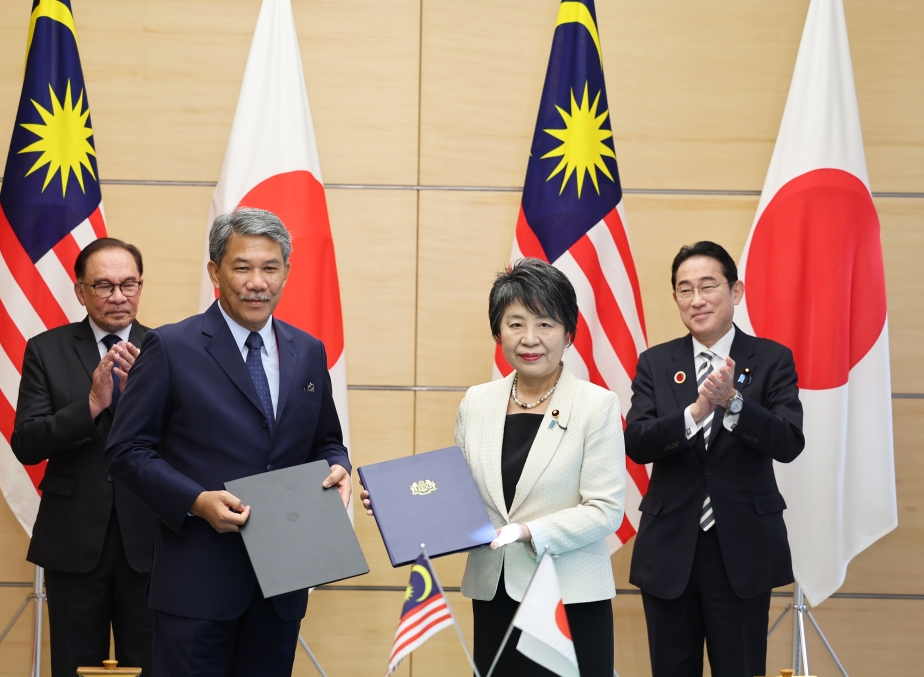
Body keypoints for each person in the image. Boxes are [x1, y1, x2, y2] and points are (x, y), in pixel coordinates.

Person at [104, 208, 351, 677]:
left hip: (282, 581)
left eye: (270, 267)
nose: (257, 282)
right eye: (242, 267)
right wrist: (195, 501)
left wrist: (339, 468)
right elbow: (125, 451)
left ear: (286, 273)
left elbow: (327, 442)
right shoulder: (171, 346)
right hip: (198, 582)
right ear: (216, 271)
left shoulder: (309, 351)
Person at [362, 258, 626, 677]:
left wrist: (526, 531)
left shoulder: (597, 406)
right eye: (516, 323)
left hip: (569, 597)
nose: (530, 338)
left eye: (545, 324)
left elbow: (605, 510)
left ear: (569, 334)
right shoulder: (477, 402)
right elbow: (461, 498)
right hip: (495, 592)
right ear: (497, 332)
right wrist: (400, 507)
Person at [625, 241, 805, 677]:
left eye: (708, 286)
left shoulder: (771, 359)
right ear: (675, 299)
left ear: (736, 291)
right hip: (670, 550)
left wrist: (734, 403)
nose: (697, 299)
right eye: (684, 290)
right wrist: (695, 413)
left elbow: (788, 442)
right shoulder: (655, 362)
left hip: (741, 548)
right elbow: (638, 443)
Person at [12, 238, 155, 677]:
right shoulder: (46, 349)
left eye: (128, 284)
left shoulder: (169, 349)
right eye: (104, 285)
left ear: (140, 286)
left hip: (151, 537)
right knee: (74, 664)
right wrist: (91, 404)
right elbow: (28, 443)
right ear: (80, 291)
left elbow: (189, 443)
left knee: (155, 663)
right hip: (74, 537)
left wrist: (139, 405)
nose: (118, 296)